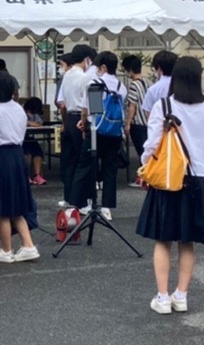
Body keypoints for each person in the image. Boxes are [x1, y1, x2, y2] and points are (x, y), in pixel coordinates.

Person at [135, 57, 204, 314]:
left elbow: (151, 145)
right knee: (188, 241)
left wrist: (145, 169)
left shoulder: (162, 105)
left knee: (163, 240)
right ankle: (182, 295)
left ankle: (163, 297)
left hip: (168, 179)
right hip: (202, 180)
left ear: (174, 77)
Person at [0, 70, 38, 262]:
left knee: (2, 206)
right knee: (17, 204)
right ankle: (28, 245)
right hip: (17, 154)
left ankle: (6, 250)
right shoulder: (18, 108)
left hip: (0, 156)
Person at [85, 51, 126, 220]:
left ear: (102, 67)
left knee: (91, 165)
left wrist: (84, 122)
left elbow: (92, 110)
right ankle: (107, 207)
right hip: (115, 132)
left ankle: (91, 203)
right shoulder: (120, 86)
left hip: (97, 130)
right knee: (110, 168)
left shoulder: (96, 83)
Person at [57, 45, 96, 212]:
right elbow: (91, 105)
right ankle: (83, 201)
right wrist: (86, 121)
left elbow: (62, 104)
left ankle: (69, 198)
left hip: (70, 118)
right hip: (82, 119)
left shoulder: (67, 76)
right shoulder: (87, 78)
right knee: (85, 162)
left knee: (70, 161)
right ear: (87, 59)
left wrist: (65, 124)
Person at [122, 54, 148, 188]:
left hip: (137, 123)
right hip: (147, 123)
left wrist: (127, 123)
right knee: (146, 151)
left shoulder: (134, 85)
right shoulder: (146, 82)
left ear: (130, 69)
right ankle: (143, 177)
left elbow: (132, 106)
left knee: (142, 152)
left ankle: (143, 178)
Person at [20, 95, 48, 186]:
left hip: (29, 136)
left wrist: (32, 123)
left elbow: (40, 124)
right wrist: (29, 122)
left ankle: (37, 175)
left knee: (38, 152)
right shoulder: (20, 110)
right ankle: (24, 176)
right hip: (20, 138)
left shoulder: (35, 114)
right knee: (24, 152)